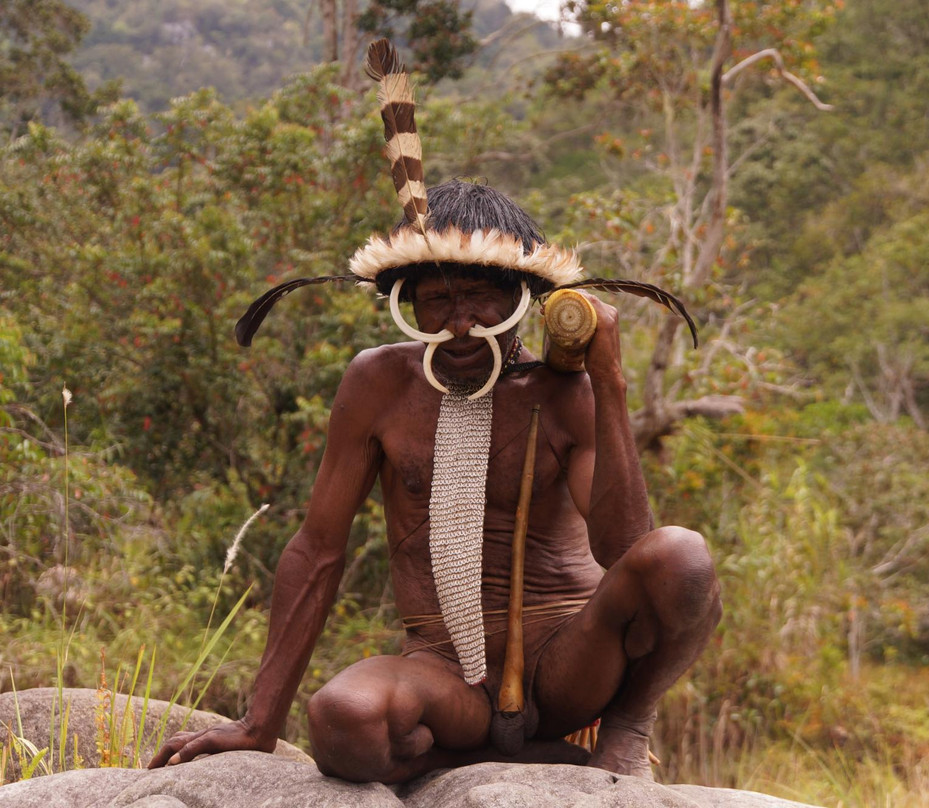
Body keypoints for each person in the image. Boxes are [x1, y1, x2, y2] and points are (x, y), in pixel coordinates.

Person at [150, 43, 720, 783]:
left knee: (682, 557)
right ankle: (516, 757)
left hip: (569, 660)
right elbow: (317, 550)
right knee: (340, 719)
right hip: (444, 674)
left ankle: (624, 731)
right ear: (407, 304)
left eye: (482, 298)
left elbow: (624, 550)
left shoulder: (563, 392)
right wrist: (260, 721)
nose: (459, 323)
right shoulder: (377, 384)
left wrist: (607, 384)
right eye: (439, 300)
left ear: (523, 303)